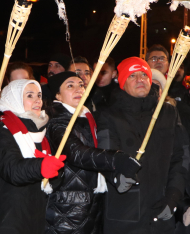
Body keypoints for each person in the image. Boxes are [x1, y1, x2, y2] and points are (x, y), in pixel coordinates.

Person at [96, 57, 188, 234]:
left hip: (161, 213)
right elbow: (106, 154)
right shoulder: (109, 115)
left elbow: (181, 157)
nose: (140, 80)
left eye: (144, 75)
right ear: (122, 82)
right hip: (125, 215)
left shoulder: (168, 112)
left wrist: (174, 196)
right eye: (132, 76)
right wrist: (117, 176)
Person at [45, 71, 141, 233]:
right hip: (68, 207)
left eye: (81, 85)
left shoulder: (86, 116)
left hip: (89, 202)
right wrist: (116, 159)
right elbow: (76, 153)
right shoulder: (58, 120)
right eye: (70, 86)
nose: (78, 89)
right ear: (58, 96)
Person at [0, 79, 66, 234]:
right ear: (14, 100)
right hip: (6, 218)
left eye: (39, 95)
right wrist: (41, 166)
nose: (37, 100)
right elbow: (12, 169)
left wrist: (57, 172)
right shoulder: (2, 133)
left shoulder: (41, 134)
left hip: (33, 218)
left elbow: (49, 182)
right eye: (29, 96)